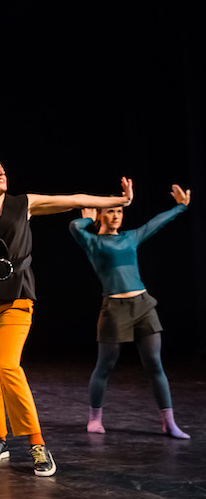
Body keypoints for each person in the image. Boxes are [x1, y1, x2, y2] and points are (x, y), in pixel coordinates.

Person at [0, 159, 132, 477]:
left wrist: (119, 201)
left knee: (7, 366)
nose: (1, 172)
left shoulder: (24, 203)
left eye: (2, 169)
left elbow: (74, 200)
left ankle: (36, 443)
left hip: (17, 299)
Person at [68, 182, 192, 438]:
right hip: (114, 309)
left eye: (119, 212)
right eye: (111, 211)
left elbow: (157, 222)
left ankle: (169, 422)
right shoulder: (93, 242)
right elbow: (74, 226)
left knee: (154, 364)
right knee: (105, 366)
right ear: (101, 214)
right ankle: (94, 419)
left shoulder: (130, 237)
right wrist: (88, 218)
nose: (116, 216)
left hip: (144, 305)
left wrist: (181, 206)